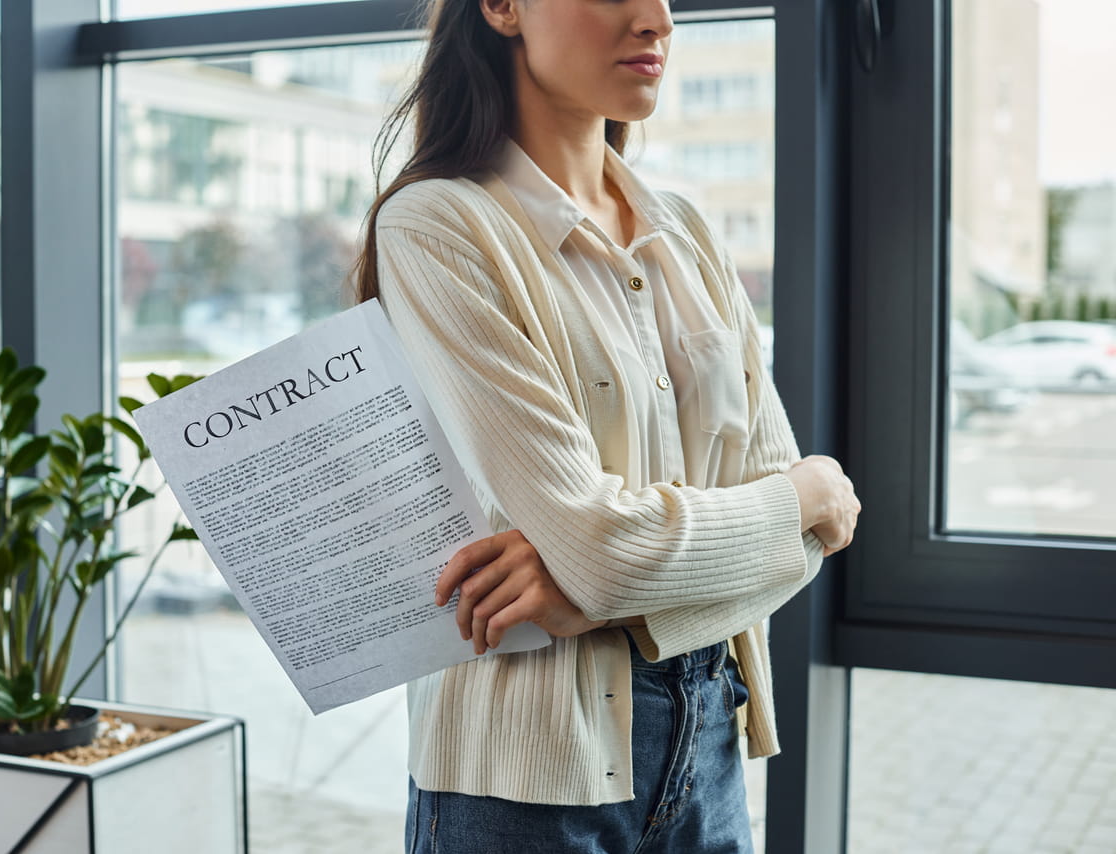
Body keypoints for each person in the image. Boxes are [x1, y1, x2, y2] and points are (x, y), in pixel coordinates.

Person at [353, 0, 861, 850]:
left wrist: (589, 600)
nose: (657, 19)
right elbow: (612, 548)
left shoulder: (687, 232)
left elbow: (803, 553)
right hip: (521, 774)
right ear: (502, 7)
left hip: (710, 735)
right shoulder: (438, 225)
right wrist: (802, 495)